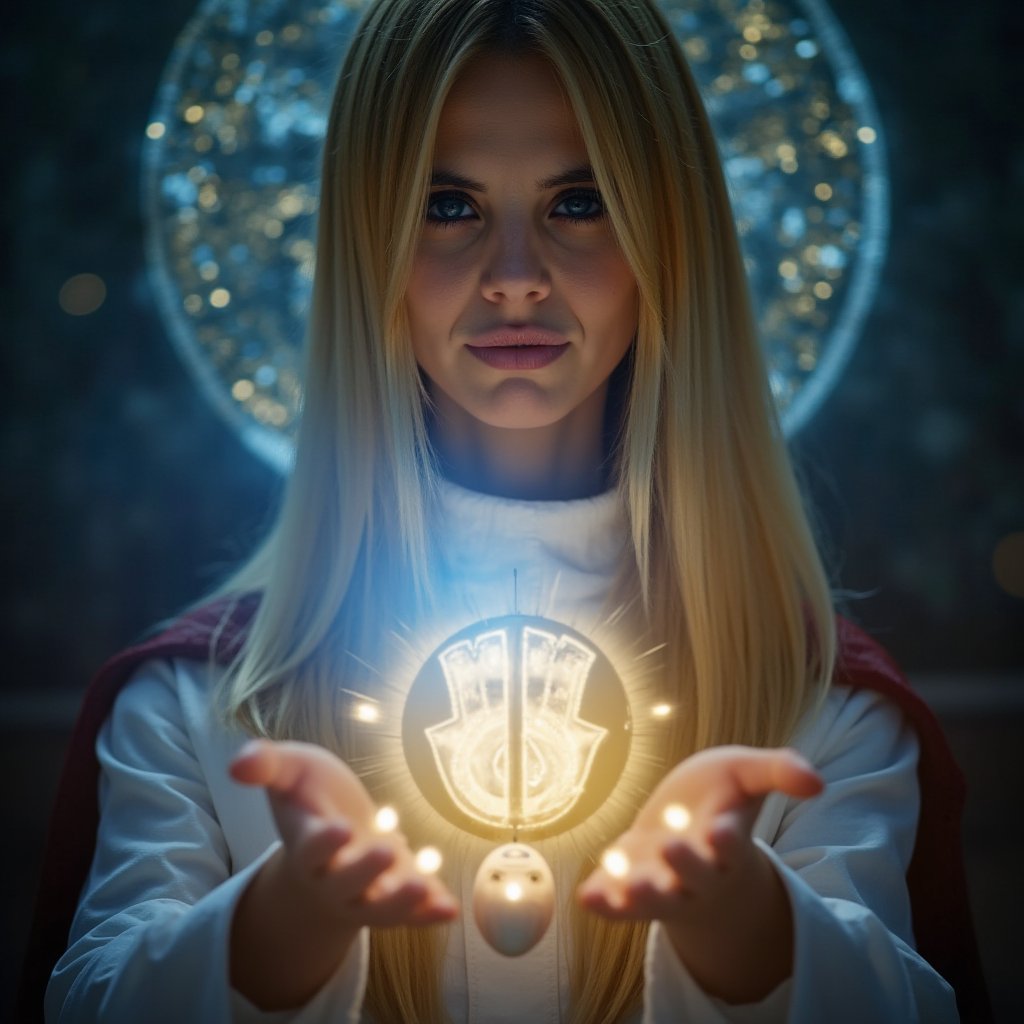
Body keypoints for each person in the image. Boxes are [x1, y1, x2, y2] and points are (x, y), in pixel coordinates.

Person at [34, 0, 982, 1021]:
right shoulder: (190, 709)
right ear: (368, 249)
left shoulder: (817, 716)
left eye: (579, 203)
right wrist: (275, 931)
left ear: (672, 239)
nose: (516, 280)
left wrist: (754, 933)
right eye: (449, 206)